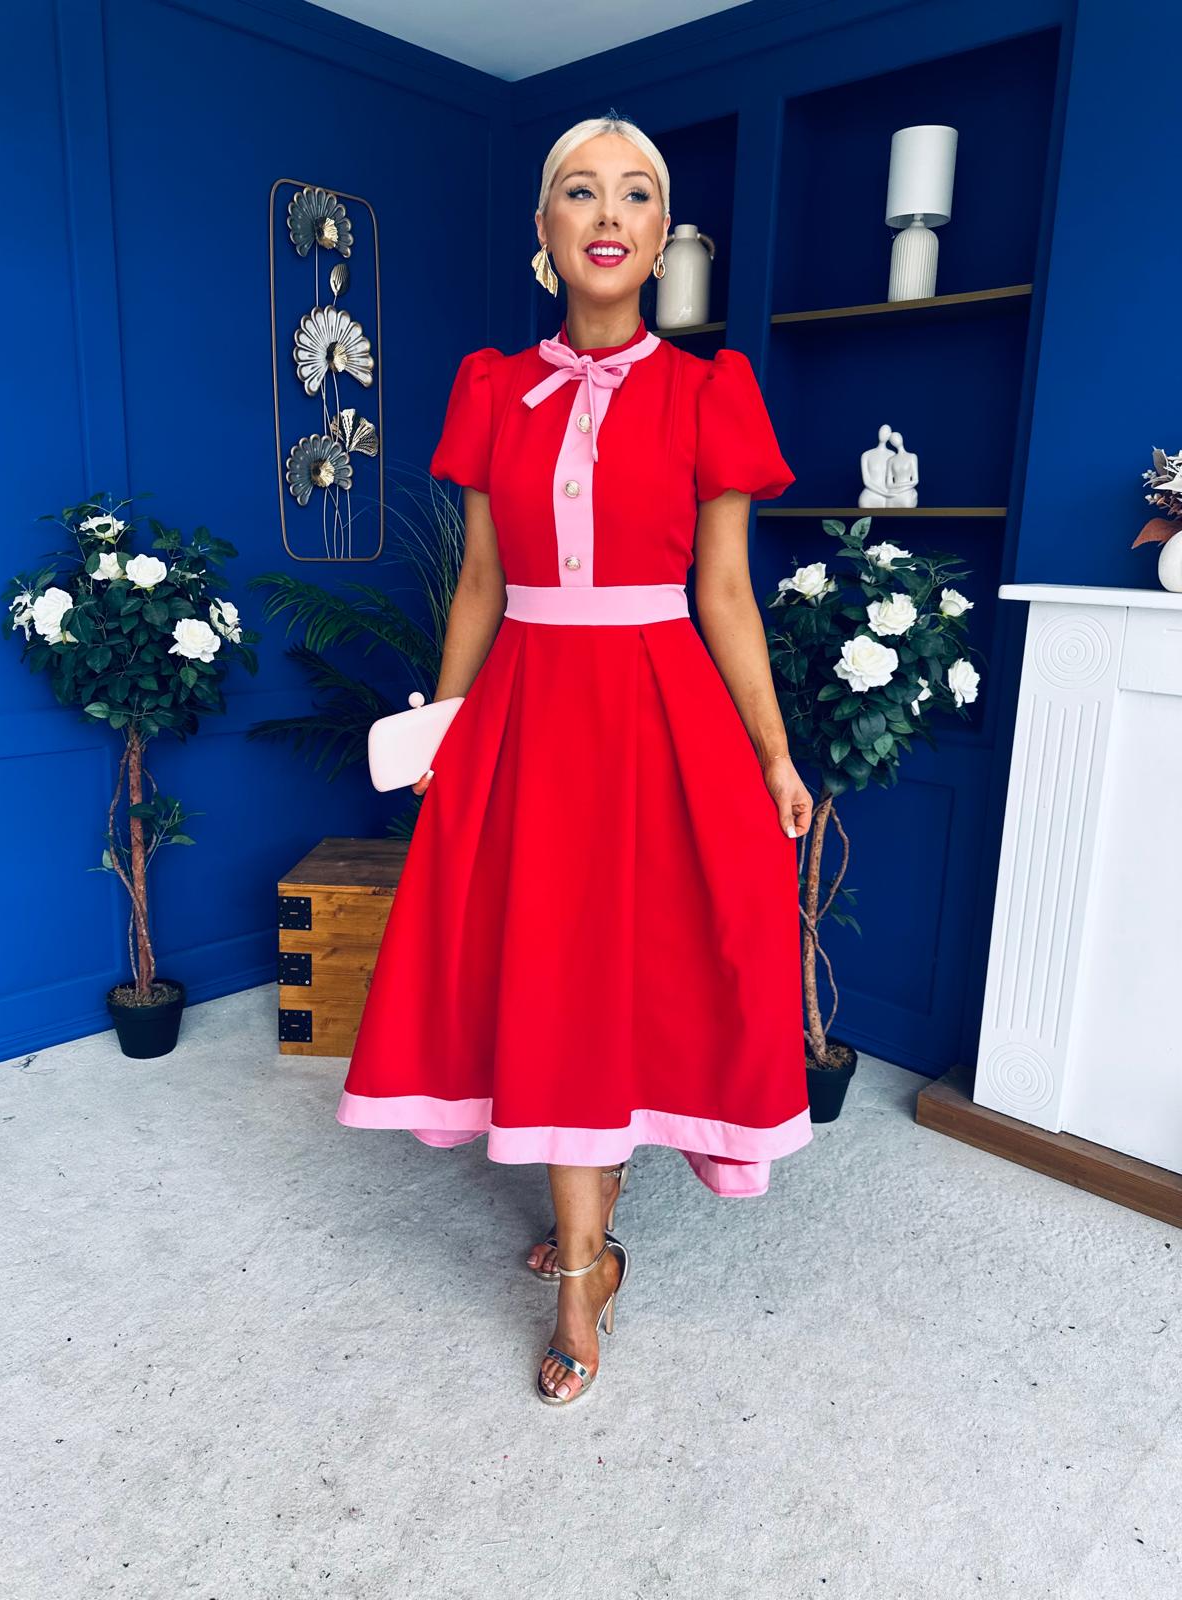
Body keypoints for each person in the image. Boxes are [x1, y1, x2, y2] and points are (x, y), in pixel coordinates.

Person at [337, 111, 814, 1407]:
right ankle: (586, 1253)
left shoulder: (712, 391)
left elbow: (724, 592)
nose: (611, 213)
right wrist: (443, 727)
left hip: (663, 714)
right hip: (530, 710)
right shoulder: (492, 387)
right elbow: (482, 583)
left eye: (638, 193)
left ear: (661, 237)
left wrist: (773, 752)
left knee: (640, 967)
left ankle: (587, 1249)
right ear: (544, 232)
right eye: (582, 192)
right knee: (552, 968)